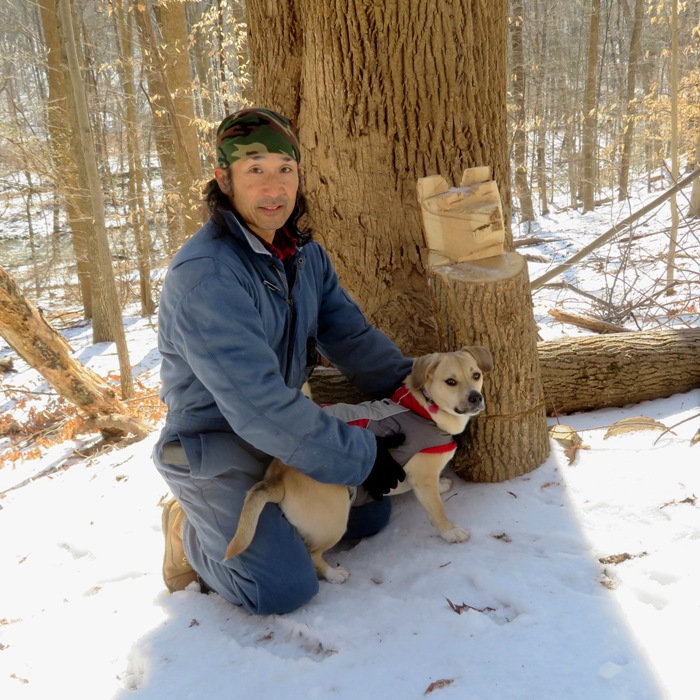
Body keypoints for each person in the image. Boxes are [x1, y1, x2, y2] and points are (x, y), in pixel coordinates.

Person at [153, 107, 412, 615]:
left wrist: (421, 394)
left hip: (279, 434)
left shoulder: (304, 256)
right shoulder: (207, 277)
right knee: (283, 588)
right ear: (223, 179)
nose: (274, 190)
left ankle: (271, 528)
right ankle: (190, 530)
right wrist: (359, 454)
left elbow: (352, 338)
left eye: (284, 170)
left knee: (369, 517)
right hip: (215, 442)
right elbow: (259, 408)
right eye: (255, 171)